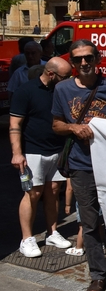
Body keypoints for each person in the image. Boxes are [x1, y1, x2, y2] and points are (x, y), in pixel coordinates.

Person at [51, 40, 106, 291]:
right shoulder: (62, 89)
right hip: (81, 165)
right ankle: (98, 275)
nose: (84, 63)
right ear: (73, 63)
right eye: (78, 60)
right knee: (89, 224)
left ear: (97, 59)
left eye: (88, 58)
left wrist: (105, 123)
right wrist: (73, 128)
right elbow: (56, 124)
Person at [10, 57, 73, 258]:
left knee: (53, 191)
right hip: (33, 150)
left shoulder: (60, 90)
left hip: (57, 148)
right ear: (51, 74)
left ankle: (52, 232)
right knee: (32, 193)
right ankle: (26, 239)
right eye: (65, 76)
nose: (68, 79)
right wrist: (17, 153)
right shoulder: (26, 91)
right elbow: (15, 125)